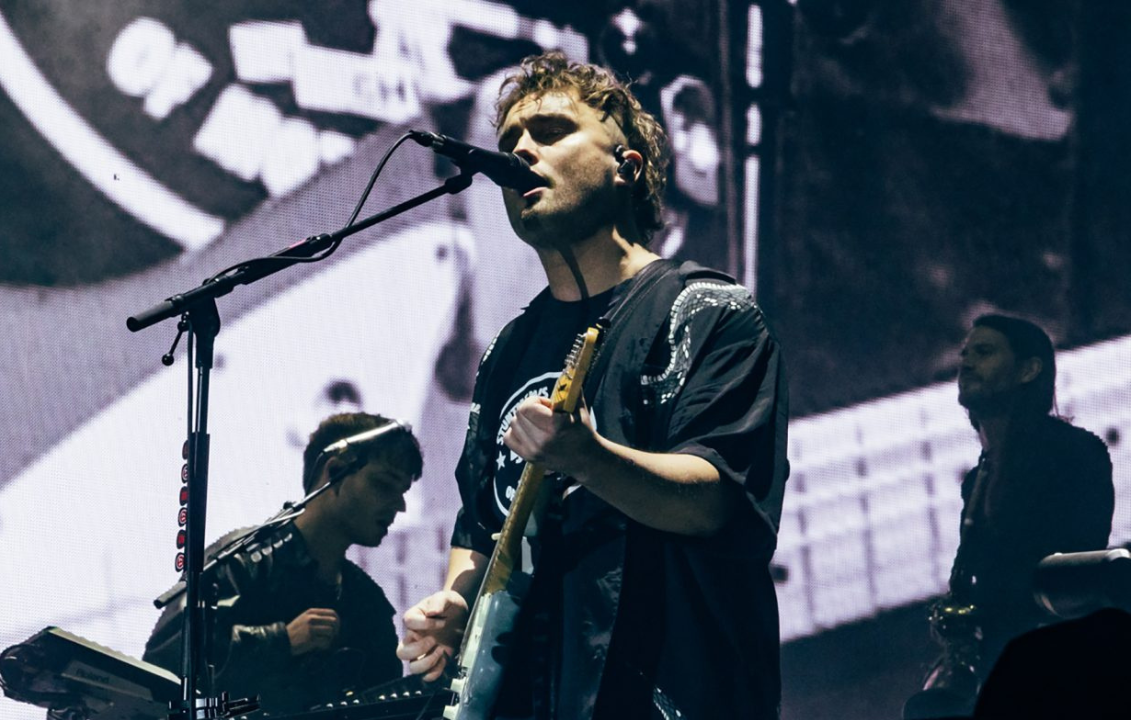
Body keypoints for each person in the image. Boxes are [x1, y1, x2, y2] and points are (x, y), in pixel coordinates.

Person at [396, 52, 788, 720]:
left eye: (550, 132)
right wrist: (458, 603)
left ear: (625, 167)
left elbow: (717, 501)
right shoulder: (509, 350)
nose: (520, 149)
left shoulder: (708, 311)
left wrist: (586, 457)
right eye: (511, 140)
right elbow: (480, 520)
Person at [904, 315, 1114, 720]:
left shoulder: (1074, 452)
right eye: (964, 353)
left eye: (983, 352)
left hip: (1049, 670)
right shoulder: (978, 478)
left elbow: (1075, 574)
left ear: (1028, 370)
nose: (965, 363)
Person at [142, 412, 423, 715]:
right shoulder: (238, 563)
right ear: (335, 471)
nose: (400, 505)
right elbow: (165, 668)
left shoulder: (368, 606)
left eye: (403, 492)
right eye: (384, 485)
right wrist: (282, 641)